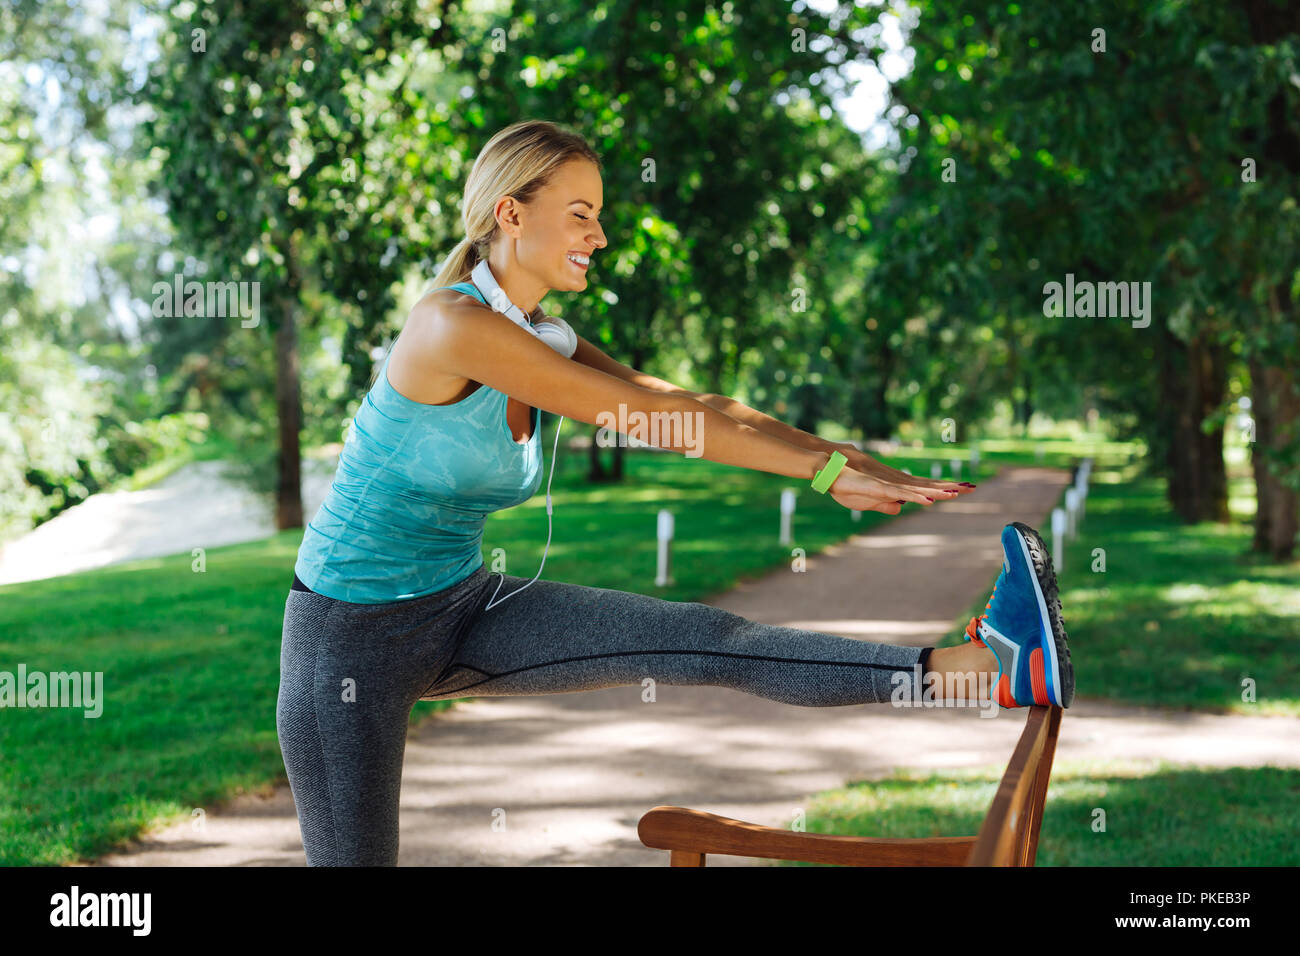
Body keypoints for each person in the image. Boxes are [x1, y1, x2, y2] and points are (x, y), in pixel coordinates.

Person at [276, 120, 1074, 866]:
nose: (601, 235)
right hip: (349, 639)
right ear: (510, 213)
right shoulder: (450, 326)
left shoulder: (543, 333)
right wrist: (822, 476)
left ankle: (982, 665)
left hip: (465, 606)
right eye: (581, 213)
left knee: (707, 638)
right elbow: (651, 420)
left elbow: (693, 404)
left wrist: (836, 454)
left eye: (599, 216)